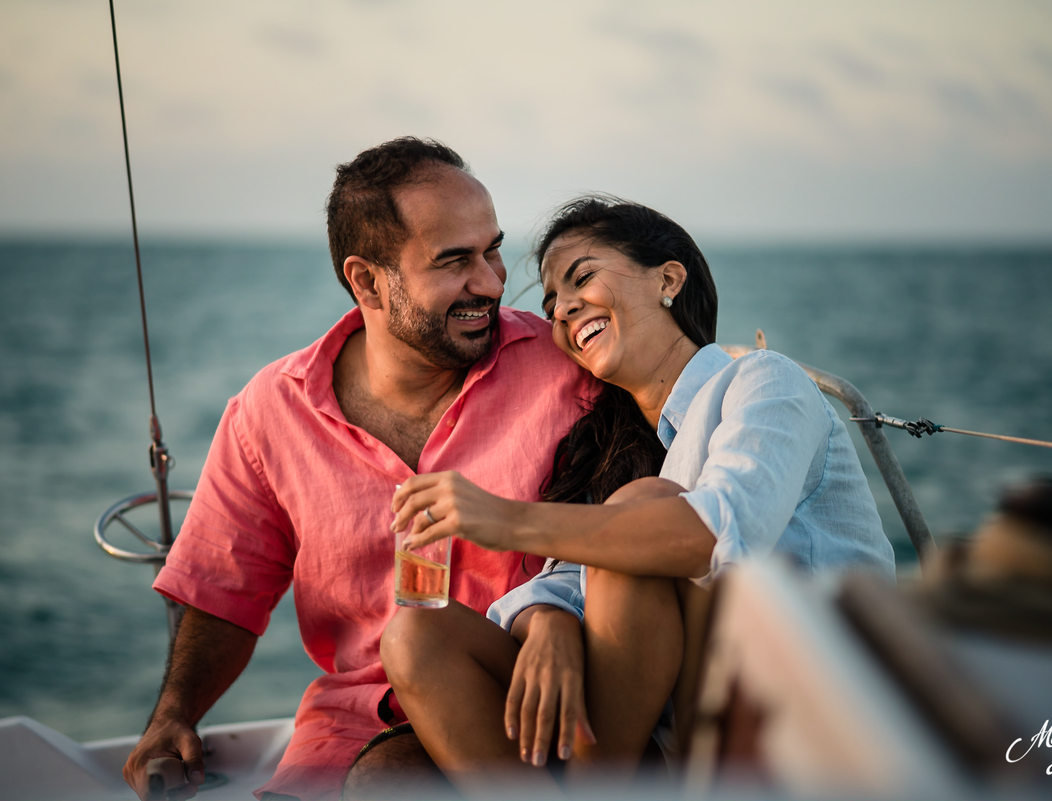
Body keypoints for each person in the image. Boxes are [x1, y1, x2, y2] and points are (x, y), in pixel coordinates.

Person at [121, 138, 599, 801]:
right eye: (454, 261)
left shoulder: (568, 369)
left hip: (525, 708)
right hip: (346, 725)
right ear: (367, 279)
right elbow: (225, 593)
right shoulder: (269, 411)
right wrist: (174, 713)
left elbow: (644, 504)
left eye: (491, 249)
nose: (491, 281)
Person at [381, 197, 896, 792]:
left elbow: (716, 534)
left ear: (668, 280)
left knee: (642, 513)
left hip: (803, 714)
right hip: (675, 725)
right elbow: (571, 580)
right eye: (552, 304)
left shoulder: (764, 380)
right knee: (417, 636)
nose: (565, 309)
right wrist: (548, 618)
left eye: (583, 278)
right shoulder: (636, 450)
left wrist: (505, 520)